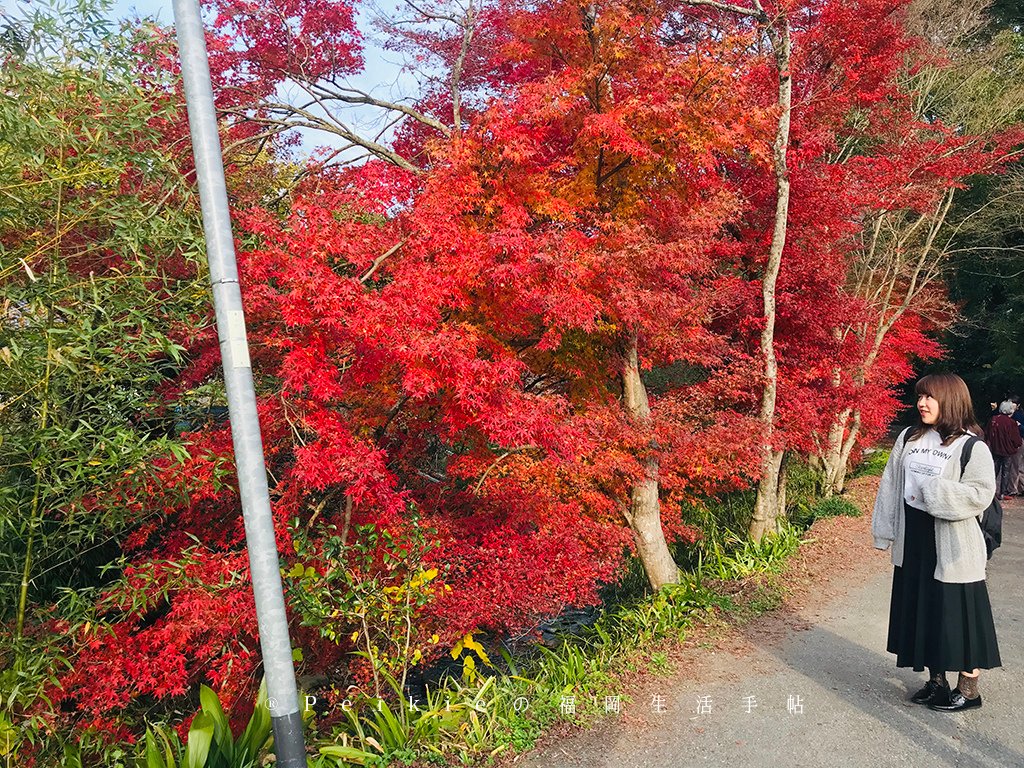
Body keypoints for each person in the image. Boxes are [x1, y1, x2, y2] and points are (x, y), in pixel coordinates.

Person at [872, 373, 1000, 712]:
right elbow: (890, 484)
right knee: (923, 609)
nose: (922, 403)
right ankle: (936, 681)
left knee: (956, 613)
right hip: (914, 538)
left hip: (953, 541)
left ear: (951, 400)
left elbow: (981, 494)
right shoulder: (910, 437)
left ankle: (969, 690)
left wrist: (935, 492)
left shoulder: (972, 446)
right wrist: (884, 531)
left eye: (929, 397)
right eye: (920, 397)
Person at [986, 400, 1022, 501]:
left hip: (995, 448)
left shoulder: (993, 419)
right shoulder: (1011, 422)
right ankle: (1002, 493)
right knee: (1006, 472)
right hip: (1007, 450)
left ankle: (990, 490)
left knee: (994, 470)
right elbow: (1016, 438)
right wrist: (1017, 445)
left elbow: (987, 433)